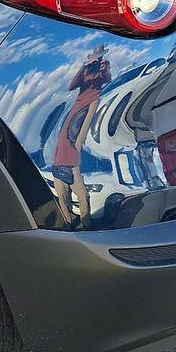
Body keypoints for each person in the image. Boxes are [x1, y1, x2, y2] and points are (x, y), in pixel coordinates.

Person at [52, 44, 111, 228]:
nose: (97, 58)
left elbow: (107, 78)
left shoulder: (103, 67)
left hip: (91, 103)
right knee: (65, 140)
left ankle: (87, 222)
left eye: (99, 56)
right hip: (77, 107)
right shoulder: (85, 70)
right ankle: (69, 222)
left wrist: (101, 67)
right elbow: (72, 85)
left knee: (74, 146)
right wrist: (84, 66)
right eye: (96, 55)